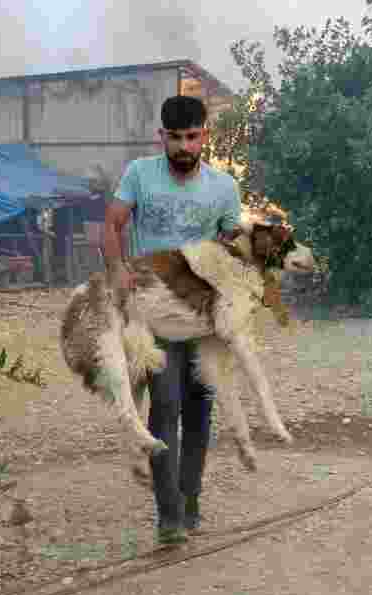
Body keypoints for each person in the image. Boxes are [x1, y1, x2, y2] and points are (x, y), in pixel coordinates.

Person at [102, 95, 244, 545]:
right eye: (176, 138)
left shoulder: (223, 188)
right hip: (155, 316)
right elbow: (112, 225)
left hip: (202, 318)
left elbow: (232, 243)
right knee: (165, 408)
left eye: (192, 137)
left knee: (200, 412)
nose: (184, 146)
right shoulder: (139, 175)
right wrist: (118, 270)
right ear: (161, 136)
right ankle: (169, 516)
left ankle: (191, 502)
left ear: (204, 135)